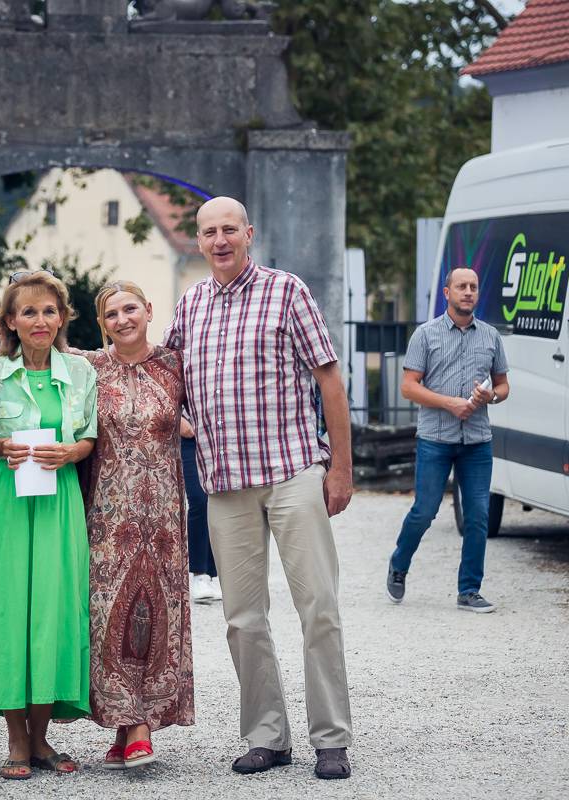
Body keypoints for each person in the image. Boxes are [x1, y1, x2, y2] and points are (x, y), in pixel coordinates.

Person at [163, 196, 356, 781]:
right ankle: (267, 736)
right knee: (243, 616)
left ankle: (331, 738)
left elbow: (329, 380)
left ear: (249, 233)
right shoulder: (191, 304)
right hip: (224, 483)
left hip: (293, 471)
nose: (220, 240)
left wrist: (341, 468)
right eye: (208, 232)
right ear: (198, 242)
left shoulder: (287, 291)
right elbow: (154, 374)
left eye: (229, 230)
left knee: (317, 606)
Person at [0, 270, 97, 781]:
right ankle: (16, 740)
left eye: (48, 311)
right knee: (9, 612)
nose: (39, 320)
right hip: (6, 502)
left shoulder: (81, 372)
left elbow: (89, 436)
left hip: (59, 500)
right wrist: (2, 448)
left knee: (53, 611)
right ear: (11, 321)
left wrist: (73, 451)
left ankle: (42, 738)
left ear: (61, 317)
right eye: (27, 312)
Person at [77, 281, 194, 771]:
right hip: (107, 512)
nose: (122, 319)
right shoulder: (88, 369)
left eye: (130, 309)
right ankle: (128, 723)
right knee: (108, 614)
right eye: (111, 314)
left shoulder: (176, 365)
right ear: (101, 323)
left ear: (148, 311)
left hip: (164, 514)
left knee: (158, 614)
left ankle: (138, 724)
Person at [386, 266, 510, 613]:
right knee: (424, 512)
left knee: (478, 516)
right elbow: (408, 387)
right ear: (447, 293)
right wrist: (449, 403)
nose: (468, 292)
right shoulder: (425, 335)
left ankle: (469, 590)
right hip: (435, 440)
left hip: (477, 442)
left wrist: (492, 398)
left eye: (473, 286)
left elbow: (503, 385)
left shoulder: (490, 337)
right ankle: (399, 564)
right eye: (461, 286)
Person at [181, 416, 220, 604]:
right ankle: (200, 573)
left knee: (219, 499)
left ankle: (215, 574)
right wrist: (177, 418)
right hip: (188, 433)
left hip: (216, 431)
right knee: (199, 499)